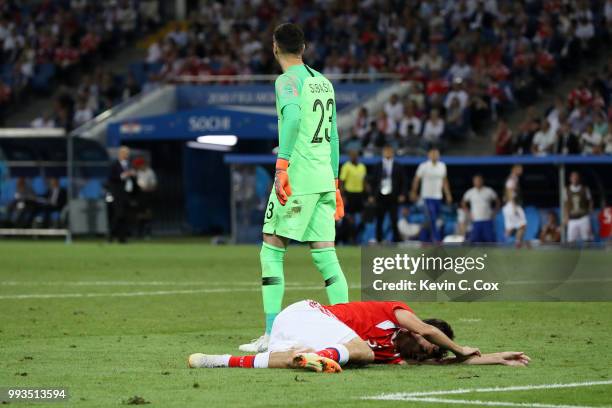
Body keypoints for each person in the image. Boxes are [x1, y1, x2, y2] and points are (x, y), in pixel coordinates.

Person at [239, 23, 348, 353]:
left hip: (298, 178)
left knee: (271, 249)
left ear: (275, 47)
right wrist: (335, 183)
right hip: (322, 181)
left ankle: (272, 336)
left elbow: (292, 119)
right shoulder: (323, 83)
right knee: (326, 257)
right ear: (304, 48)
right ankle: (346, 331)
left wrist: (282, 165)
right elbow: (333, 137)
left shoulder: (286, 81)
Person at [188, 299, 530, 372]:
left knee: (296, 359)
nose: (427, 351)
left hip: (299, 337)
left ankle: (218, 361)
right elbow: (426, 330)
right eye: (431, 346)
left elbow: (446, 363)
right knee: (362, 352)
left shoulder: (397, 355)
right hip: (304, 313)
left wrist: (495, 357)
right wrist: (460, 348)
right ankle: (326, 357)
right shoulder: (397, 313)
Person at [410, 148, 452, 243]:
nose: (434, 156)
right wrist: (413, 192)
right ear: (428, 155)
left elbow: (445, 181)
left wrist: (448, 194)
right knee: (431, 217)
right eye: (432, 154)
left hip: (438, 197)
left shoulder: (442, 166)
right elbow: (416, 179)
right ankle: (436, 239)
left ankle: (426, 239)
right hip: (427, 197)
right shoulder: (423, 166)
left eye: (436, 154)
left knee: (436, 219)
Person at [370, 145, 405, 243]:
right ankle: (379, 239)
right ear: (383, 152)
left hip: (393, 196)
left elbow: (403, 181)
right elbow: (373, 181)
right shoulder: (378, 165)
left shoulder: (398, 165)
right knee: (379, 219)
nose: (388, 153)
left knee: (394, 219)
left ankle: (396, 240)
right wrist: (372, 195)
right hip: (380, 196)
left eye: (389, 151)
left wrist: (402, 194)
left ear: (392, 152)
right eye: (386, 151)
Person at [106, 146, 136, 243]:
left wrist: (132, 175)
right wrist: (124, 175)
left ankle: (122, 238)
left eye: (127, 153)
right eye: (125, 153)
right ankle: (111, 235)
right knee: (118, 215)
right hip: (117, 193)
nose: (127, 155)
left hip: (126, 193)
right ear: (120, 154)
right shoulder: (114, 164)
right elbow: (112, 178)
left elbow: (131, 179)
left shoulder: (129, 165)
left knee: (125, 215)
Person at [338, 150, 367, 244]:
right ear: (350, 156)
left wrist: (368, 194)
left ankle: (356, 234)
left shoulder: (362, 167)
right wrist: (343, 196)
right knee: (350, 218)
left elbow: (364, 181)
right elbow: (342, 181)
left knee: (363, 217)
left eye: (355, 155)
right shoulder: (346, 166)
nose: (354, 157)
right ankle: (352, 238)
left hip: (359, 194)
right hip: (349, 194)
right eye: (352, 155)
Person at [461, 174, 499, 243]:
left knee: (490, 240)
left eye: (479, 180)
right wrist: (468, 213)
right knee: (475, 240)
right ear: (473, 182)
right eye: (475, 181)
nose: (477, 182)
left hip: (487, 219)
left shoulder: (489, 191)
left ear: (482, 181)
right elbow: (463, 203)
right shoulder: (470, 192)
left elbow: (497, 201)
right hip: (476, 220)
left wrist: (494, 212)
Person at [563, 171, 593, 243]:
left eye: (576, 177)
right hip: (572, 218)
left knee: (587, 239)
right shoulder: (566, 190)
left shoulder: (585, 189)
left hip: (583, 217)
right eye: (573, 177)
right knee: (570, 240)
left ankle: (588, 253)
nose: (575, 179)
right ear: (570, 178)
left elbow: (590, 201)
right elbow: (566, 204)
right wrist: (566, 216)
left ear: (579, 178)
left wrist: (590, 210)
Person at [133, 157, 157, 238]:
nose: (138, 167)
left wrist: (147, 188)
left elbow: (154, 185)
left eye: (139, 165)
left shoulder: (150, 172)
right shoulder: (137, 173)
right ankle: (139, 233)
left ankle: (148, 233)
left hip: (147, 195)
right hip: (139, 195)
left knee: (148, 214)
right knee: (139, 215)